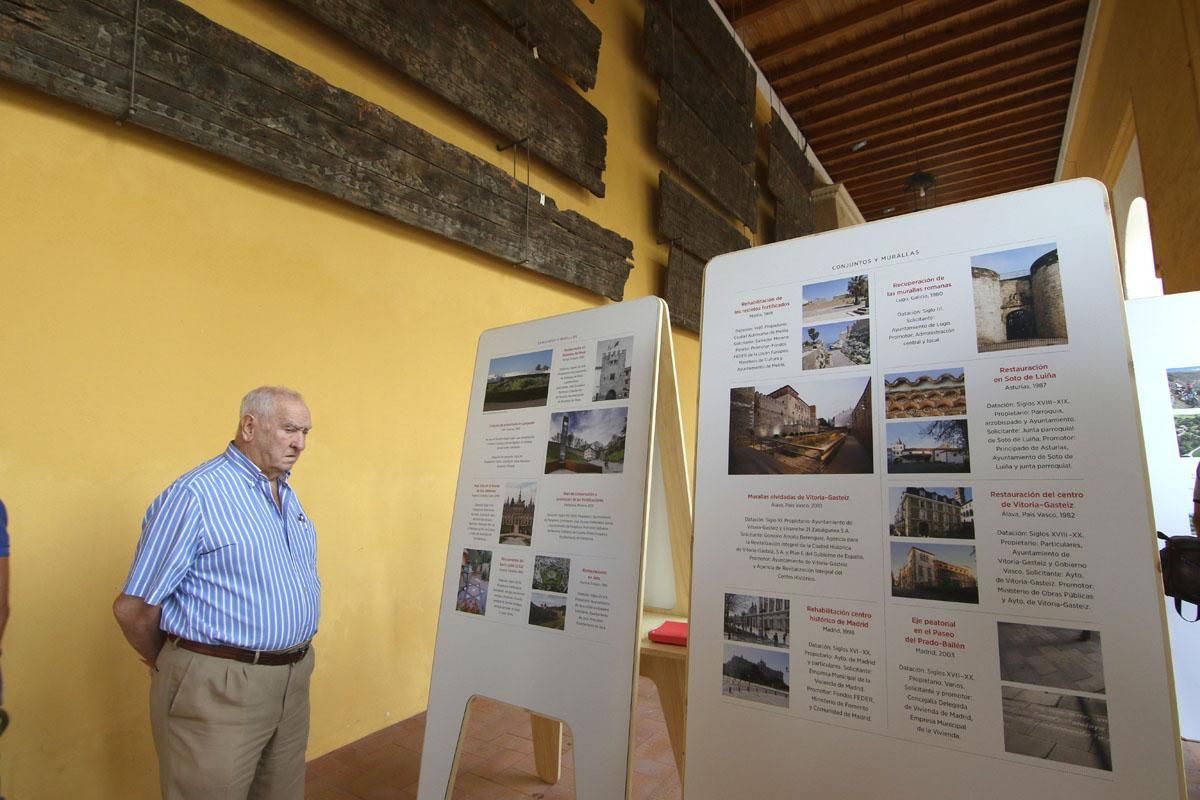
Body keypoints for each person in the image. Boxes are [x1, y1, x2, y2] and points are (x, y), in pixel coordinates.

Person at [113, 386, 319, 800]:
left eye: (305, 432)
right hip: (218, 686)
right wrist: (175, 664)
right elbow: (133, 608)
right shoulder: (196, 496)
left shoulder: (284, 493)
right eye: (289, 430)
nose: (299, 443)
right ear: (249, 426)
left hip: (292, 681)